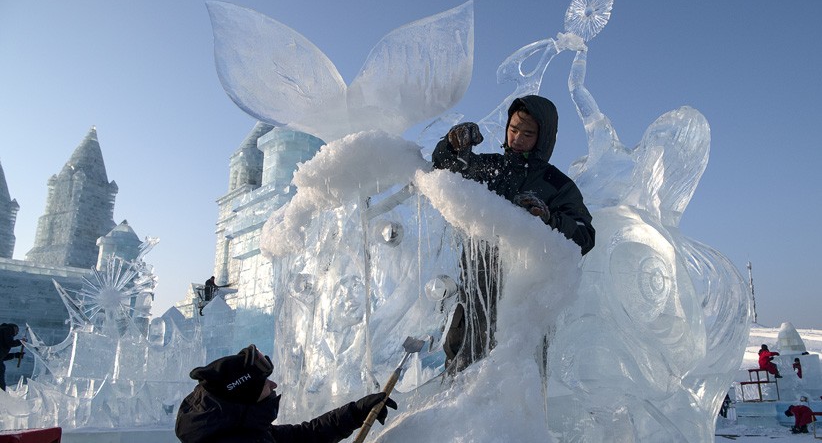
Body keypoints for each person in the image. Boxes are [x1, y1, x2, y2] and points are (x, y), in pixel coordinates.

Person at [432, 95, 596, 373]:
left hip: (522, 310)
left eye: (528, 133)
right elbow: (443, 171)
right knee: (458, 380)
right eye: (513, 129)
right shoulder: (490, 168)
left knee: (511, 388)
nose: (517, 138)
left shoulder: (557, 185)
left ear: (543, 137)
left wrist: (549, 219)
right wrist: (452, 144)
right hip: (474, 298)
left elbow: (585, 236)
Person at [175, 344, 397, 443]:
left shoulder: (244, 431)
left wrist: (356, 413)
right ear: (245, 397)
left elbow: (305, 436)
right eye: (264, 383)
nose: (273, 385)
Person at [1, 323, 25, 391]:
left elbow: (2, 357)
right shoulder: (6, 329)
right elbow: (10, 343)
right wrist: (21, 341)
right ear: (14, 328)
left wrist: (15, 355)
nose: (16, 334)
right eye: (16, 331)